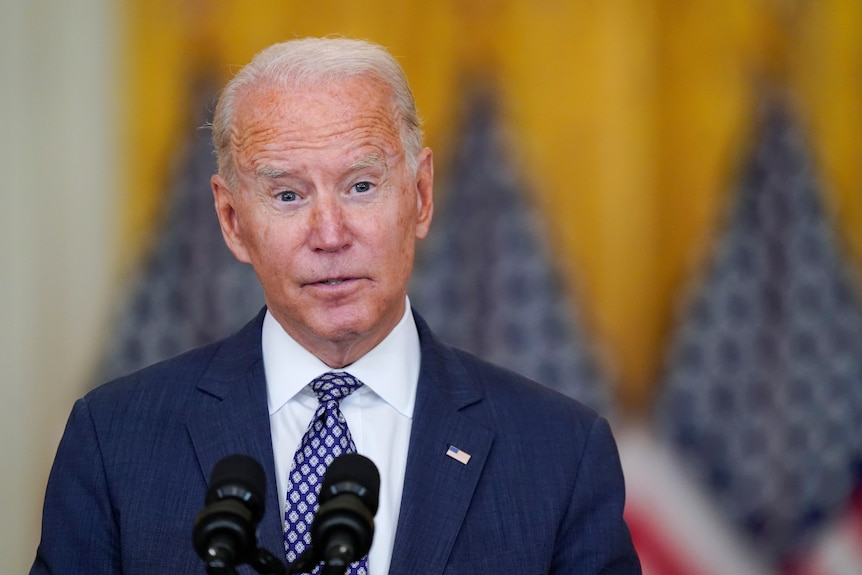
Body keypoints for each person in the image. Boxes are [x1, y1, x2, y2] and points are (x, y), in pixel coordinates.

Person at [31, 37, 641, 575]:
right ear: (232, 221)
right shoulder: (115, 440)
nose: (329, 234)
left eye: (361, 186)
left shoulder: (559, 451)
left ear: (421, 195)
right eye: (289, 195)